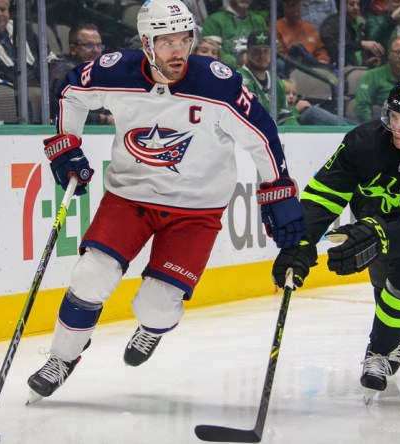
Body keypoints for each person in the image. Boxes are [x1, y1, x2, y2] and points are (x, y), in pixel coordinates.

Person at [26, 0, 305, 401]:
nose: (179, 51)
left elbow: (262, 134)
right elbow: (70, 92)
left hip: (196, 211)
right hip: (129, 198)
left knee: (156, 306)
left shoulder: (218, 83)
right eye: (167, 41)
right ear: (146, 42)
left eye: (185, 39)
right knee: (92, 274)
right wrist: (64, 145)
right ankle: (62, 356)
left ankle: (153, 327)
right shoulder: (116, 71)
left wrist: (276, 190)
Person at [271, 72, 400, 401]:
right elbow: (323, 197)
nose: (397, 126)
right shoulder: (362, 143)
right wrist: (300, 241)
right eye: (393, 116)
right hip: (383, 215)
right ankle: (392, 330)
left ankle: (381, 351)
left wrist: (376, 234)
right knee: (383, 272)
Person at [49, 24, 114, 124]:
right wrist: (105, 119)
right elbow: (67, 114)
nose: (96, 50)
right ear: (73, 49)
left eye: (99, 45)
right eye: (89, 45)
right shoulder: (66, 74)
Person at [355, 35, 400, 122]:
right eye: (397, 52)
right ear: (389, 54)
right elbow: (362, 106)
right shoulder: (373, 75)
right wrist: (371, 130)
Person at [201, 0, 268, 67]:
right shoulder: (214, 20)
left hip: (256, 72)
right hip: (227, 73)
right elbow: (210, 52)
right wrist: (236, 62)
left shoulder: (258, 21)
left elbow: (269, 52)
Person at [319, 0, 384, 68]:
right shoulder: (332, 24)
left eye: (358, 4)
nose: (355, 7)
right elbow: (335, 50)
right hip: (340, 70)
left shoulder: (360, 23)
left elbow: (357, 53)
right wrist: (361, 44)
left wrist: (368, 62)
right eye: (351, 4)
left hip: (359, 69)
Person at [277, 0, 331, 66]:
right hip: (291, 68)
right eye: (292, 6)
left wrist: (322, 59)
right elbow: (280, 55)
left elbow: (321, 51)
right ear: (284, 6)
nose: (295, 11)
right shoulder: (276, 27)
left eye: (298, 5)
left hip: (313, 68)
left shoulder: (310, 28)